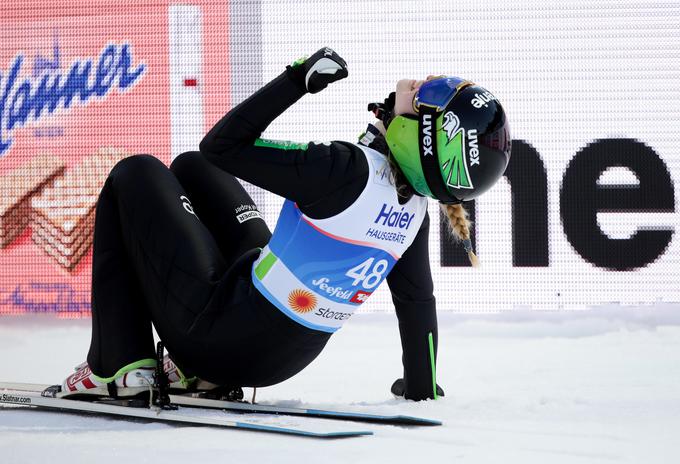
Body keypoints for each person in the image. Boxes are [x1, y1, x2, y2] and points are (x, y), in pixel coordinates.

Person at [61, 48, 511, 401]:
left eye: (431, 94)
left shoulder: (343, 168)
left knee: (135, 172)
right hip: (277, 362)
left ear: (425, 137)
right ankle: (192, 371)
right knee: (194, 168)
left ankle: (118, 364)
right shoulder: (414, 211)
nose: (422, 82)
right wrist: (422, 388)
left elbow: (223, 144)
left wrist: (296, 80)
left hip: (218, 338)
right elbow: (417, 304)